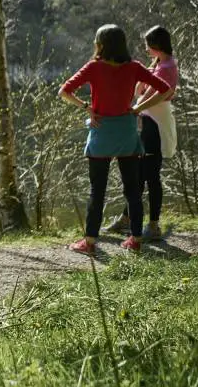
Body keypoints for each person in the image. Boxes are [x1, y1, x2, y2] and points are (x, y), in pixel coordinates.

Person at [59, 24, 174, 255]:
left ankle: (90, 242)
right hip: (126, 133)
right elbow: (165, 89)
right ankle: (136, 239)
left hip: (101, 134)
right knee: (133, 190)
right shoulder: (134, 67)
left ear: (100, 45)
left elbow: (64, 91)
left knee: (97, 190)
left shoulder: (94, 67)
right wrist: (138, 107)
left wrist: (87, 108)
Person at [106, 25, 179, 240]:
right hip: (148, 123)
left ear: (157, 45)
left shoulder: (166, 66)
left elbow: (162, 94)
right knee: (138, 173)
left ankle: (153, 225)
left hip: (155, 125)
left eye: (148, 45)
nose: (146, 49)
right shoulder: (160, 64)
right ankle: (127, 218)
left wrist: (137, 107)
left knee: (151, 175)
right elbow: (143, 88)